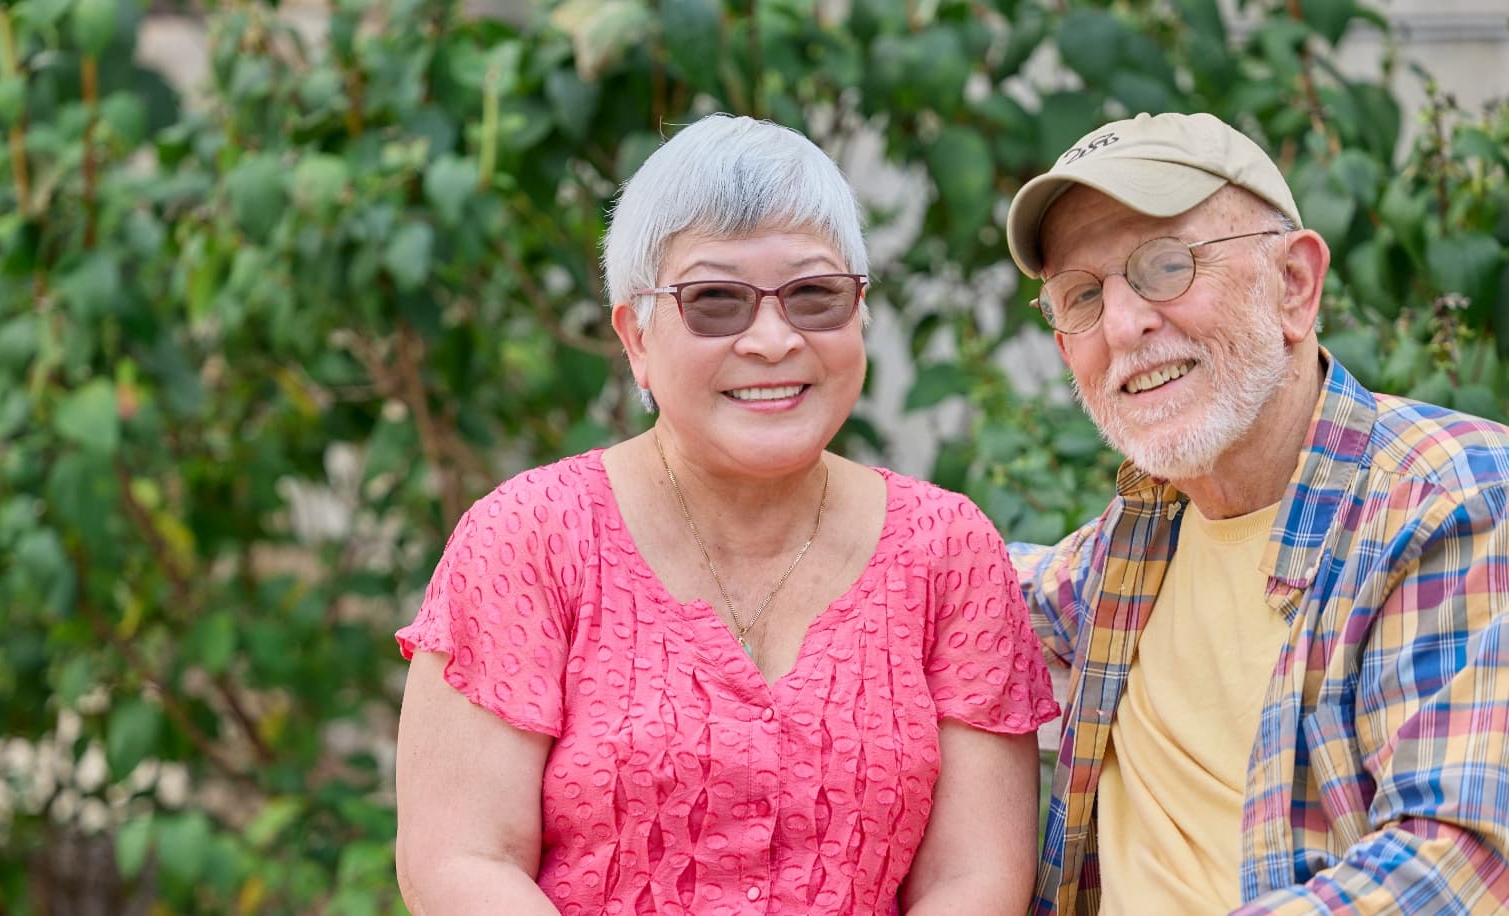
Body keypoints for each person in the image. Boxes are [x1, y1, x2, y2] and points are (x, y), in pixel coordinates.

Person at [394, 114, 1059, 915]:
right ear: (635, 335)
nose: (774, 340)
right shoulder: (532, 538)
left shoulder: (947, 551)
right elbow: (460, 860)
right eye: (716, 302)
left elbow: (974, 880)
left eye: (816, 295)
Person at [1006, 111, 1509, 915]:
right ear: (1067, 349)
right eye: (1081, 297)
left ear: (1295, 286)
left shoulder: (1456, 500)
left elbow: (1458, 866)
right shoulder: (1133, 544)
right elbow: (960, 575)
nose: (1126, 323)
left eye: (1166, 265)